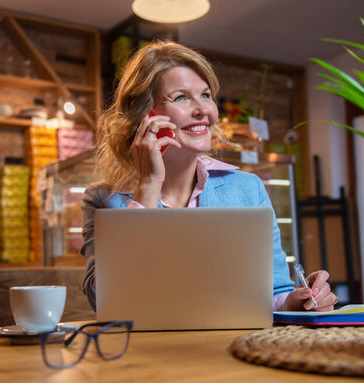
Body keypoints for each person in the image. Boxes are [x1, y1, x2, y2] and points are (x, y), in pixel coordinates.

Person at [81, 41, 336, 312]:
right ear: (144, 115)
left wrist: (298, 301)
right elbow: (102, 298)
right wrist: (149, 184)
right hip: (148, 351)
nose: (203, 109)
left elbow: (275, 292)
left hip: (232, 349)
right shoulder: (102, 200)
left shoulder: (248, 189)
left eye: (205, 95)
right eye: (181, 97)